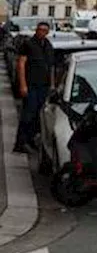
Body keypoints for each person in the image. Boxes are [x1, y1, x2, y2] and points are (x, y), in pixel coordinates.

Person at [12, 21, 54, 154]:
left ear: (47, 32)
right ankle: (20, 143)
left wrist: (52, 84)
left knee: (37, 116)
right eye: (40, 29)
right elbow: (21, 64)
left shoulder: (48, 45)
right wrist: (23, 85)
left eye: (45, 30)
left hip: (43, 86)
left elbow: (51, 66)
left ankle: (30, 140)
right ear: (36, 30)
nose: (42, 32)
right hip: (31, 85)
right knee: (28, 114)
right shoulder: (28, 44)